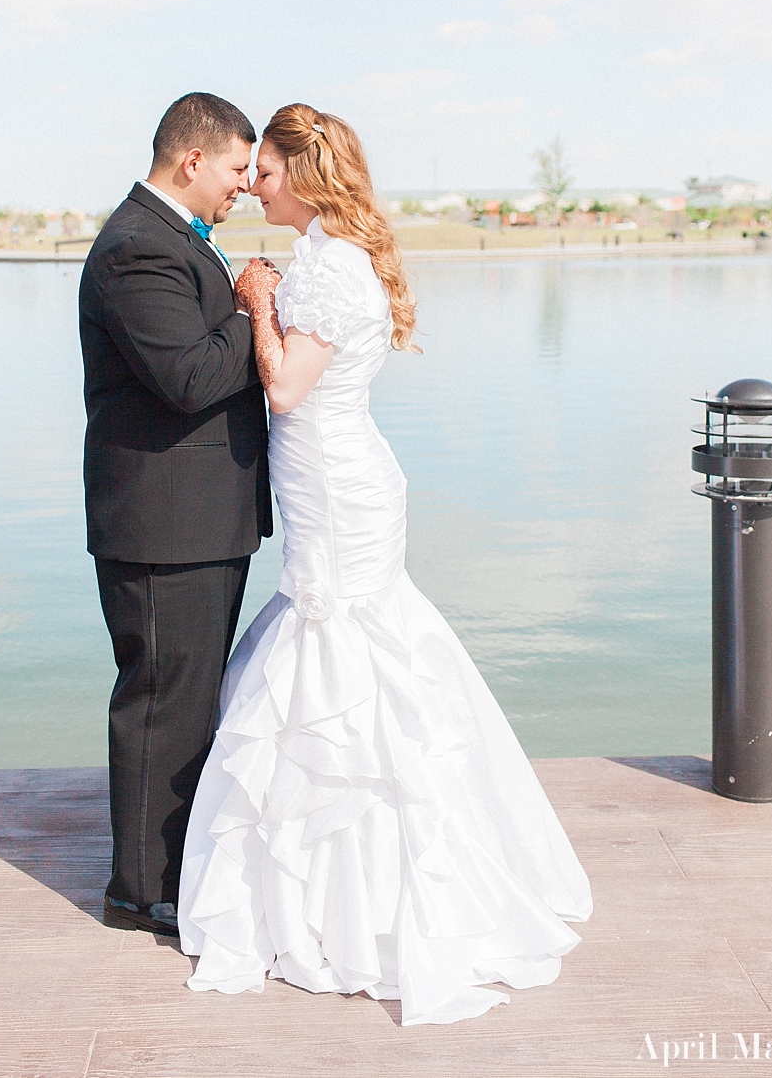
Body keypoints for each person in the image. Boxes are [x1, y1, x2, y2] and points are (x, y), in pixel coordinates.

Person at [177, 103, 592, 1026]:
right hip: (339, 482)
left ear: (306, 174)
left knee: (341, 654)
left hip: (336, 487)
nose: (255, 185)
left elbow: (284, 389)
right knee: (341, 650)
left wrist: (252, 301)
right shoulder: (329, 260)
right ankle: (331, 878)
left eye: (269, 171)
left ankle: (354, 892)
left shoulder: (328, 269)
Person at [79, 92, 278, 937]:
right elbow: (191, 376)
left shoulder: (171, 240)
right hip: (163, 523)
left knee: (189, 697)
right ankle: (142, 888)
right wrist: (248, 308)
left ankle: (168, 866)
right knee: (164, 697)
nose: (243, 185)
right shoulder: (135, 249)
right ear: (192, 160)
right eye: (238, 168)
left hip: (194, 517)